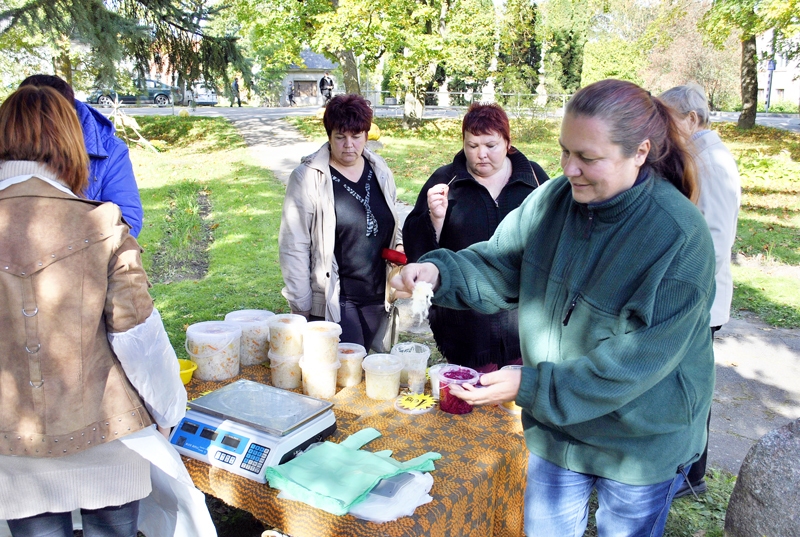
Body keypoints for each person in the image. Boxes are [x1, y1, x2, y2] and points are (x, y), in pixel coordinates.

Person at [391, 79, 716, 537]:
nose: (570, 169)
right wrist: (441, 274)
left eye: (588, 157)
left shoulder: (679, 238)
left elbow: (637, 362)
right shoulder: (553, 200)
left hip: (638, 440)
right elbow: (499, 263)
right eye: (566, 151)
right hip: (559, 428)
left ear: (640, 152)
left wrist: (533, 382)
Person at [0, 85, 213, 537]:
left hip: (13, 444)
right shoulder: (102, 224)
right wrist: (170, 410)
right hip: (106, 433)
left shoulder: (102, 224)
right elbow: (139, 339)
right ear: (69, 142)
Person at [403, 102, 549, 373]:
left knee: (514, 406)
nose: (481, 154)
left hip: (523, 319)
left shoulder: (534, 179)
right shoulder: (446, 180)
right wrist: (434, 219)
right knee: (470, 395)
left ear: (508, 143)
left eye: (490, 145)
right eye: (472, 145)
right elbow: (418, 251)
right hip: (465, 322)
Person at [660, 82, 742, 499]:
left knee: (691, 388)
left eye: (669, 118)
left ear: (692, 119)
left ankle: (692, 475)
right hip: (693, 296)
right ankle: (684, 470)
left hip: (701, 300)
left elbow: (714, 236)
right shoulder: (698, 156)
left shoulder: (714, 163)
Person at [279, 94, 402, 350]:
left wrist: (400, 246)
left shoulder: (379, 169)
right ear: (329, 136)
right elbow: (294, 245)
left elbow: (393, 218)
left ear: (367, 136)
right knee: (346, 374)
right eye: (340, 137)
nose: (349, 145)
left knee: (372, 370)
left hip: (378, 294)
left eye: (356, 136)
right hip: (338, 297)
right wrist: (301, 306)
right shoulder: (308, 177)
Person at [19, 74, 144, 237]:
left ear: (69, 113)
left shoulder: (111, 150)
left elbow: (127, 220)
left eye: (48, 116)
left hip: (83, 256)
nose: (40, 126)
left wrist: (69, 249)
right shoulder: (9, 145)